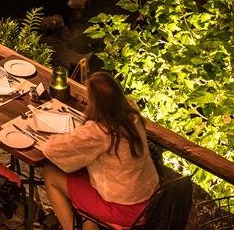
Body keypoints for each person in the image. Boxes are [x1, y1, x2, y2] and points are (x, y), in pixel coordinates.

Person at [40, 71, 159, 230]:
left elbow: (51, 149)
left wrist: (77, 132)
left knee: (50, 173)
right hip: (151, 199)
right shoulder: (131, 113)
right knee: (83, 178)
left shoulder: (100, 131)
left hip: (124, 208)